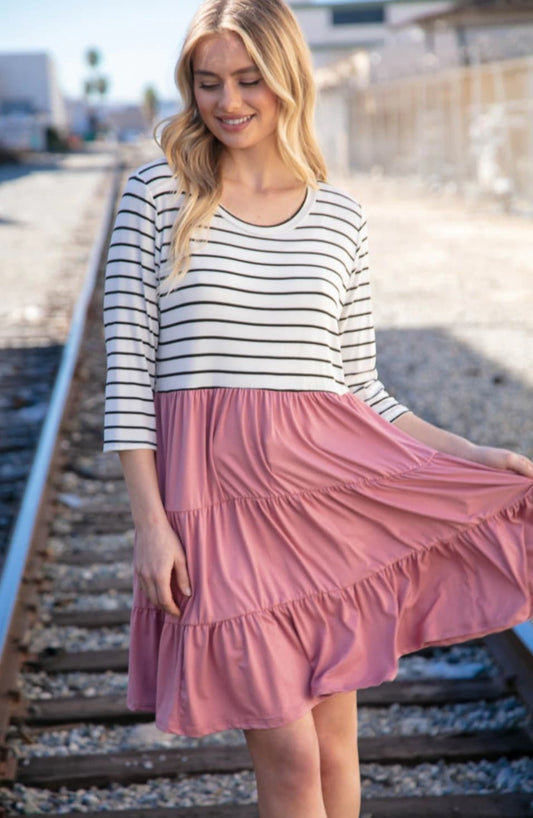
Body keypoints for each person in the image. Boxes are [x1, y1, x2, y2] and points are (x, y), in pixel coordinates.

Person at [102, 1, 533, 815]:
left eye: (249, 79)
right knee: (293, 759)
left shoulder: (338, 215)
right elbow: (128, 373)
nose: (228, 102)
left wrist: (468, 455)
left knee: (335, 749)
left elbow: (359, 386)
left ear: (288, 78)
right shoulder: (156, 195)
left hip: (322, 507)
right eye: (208, 83)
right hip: (217, 511)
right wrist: (150, 525)